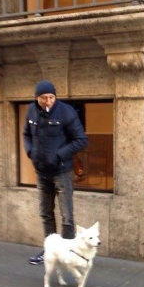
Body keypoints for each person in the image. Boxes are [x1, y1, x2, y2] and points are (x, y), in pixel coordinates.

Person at [23, 80, 88, 264]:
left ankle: (67, 253)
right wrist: (30, 151)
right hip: (41, 172)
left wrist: (59, 155)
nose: (48, 101)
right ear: (37, 98)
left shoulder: (66, 112)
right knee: (46, 213)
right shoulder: (31, 110)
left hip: (62, 172)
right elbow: (26, 134)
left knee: (67, 216)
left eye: (51, 97)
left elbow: (81, 139)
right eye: (44, 98)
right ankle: (50, 251)